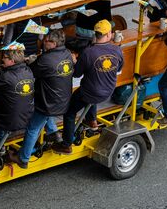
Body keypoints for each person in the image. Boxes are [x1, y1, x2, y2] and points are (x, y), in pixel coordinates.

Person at [53, 20, 123, 154]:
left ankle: (66, 145)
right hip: (108, 90)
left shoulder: (88, 52)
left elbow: (77, 74)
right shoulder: (117, 50)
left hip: (90, 92)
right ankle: (92, 121)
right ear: (109, 34)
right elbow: (119, 68)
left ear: (95, 34)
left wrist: (75, 61)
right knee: (93, 89)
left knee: (69, 113)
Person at [14, 30, 74, 169]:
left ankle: (23, 158)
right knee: (44, 116)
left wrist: (29, 62)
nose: (43, 42)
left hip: (48, 103)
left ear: (53, 44)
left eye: (46, 41)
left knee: (32, 128)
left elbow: (30, 72)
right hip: (63, 99)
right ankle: (53, 133)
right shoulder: (66, 53)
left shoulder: (46, 59)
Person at [0, 49, 34, 179]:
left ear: (12, 61)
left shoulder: (6, 77)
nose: (2, 59)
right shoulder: (28, 71)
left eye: (4, 58)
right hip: (26, 116)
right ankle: (1, 147)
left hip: (8, 119)